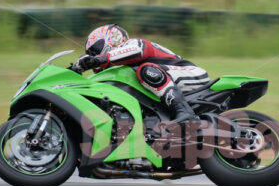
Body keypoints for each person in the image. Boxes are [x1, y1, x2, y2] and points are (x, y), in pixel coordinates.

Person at [72, 24, 209, 123]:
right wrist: (77, 69)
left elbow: (136, 51)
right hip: (173, 80)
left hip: (191, 74)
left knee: (146, 70)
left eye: (95, 50)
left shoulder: (133, 44)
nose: (93, 55)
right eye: (90, 54)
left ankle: (185, 112)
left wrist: (100, 59)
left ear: (111, 39)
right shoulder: (121, 66)